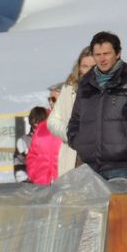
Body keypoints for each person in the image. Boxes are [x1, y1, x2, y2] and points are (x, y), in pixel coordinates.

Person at [68, 31, 127, 180]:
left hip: (122, 167)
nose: (102, 59)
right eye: (98, 54)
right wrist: (77, 141)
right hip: (90, 168)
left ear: (118, 53)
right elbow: (75, 119)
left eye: (106, 53)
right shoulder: (86, 83)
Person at [47, 46, 94, 178]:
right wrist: (70, 134)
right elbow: (53, 120)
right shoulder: (70, 89)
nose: (88, 70)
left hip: (101, 160)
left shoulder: (112, 89)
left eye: (93, 66)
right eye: (85, 66)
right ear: (79, 68)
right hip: (74, 159)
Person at [28, 86, 66, 185]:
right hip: (43, 185)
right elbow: (32, 154)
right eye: (49, 99)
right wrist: (34, 174)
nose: (50, 102)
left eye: (53, 99)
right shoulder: (42, 126)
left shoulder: (73, 122)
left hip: (66, 183)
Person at [14, 107, 48, 182]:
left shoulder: (54, 139)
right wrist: (27, 181)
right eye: (34, 125)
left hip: (53, 184)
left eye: (40, 125)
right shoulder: (24, 141)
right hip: (33, 186)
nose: (36, 129)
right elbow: (18, 165)